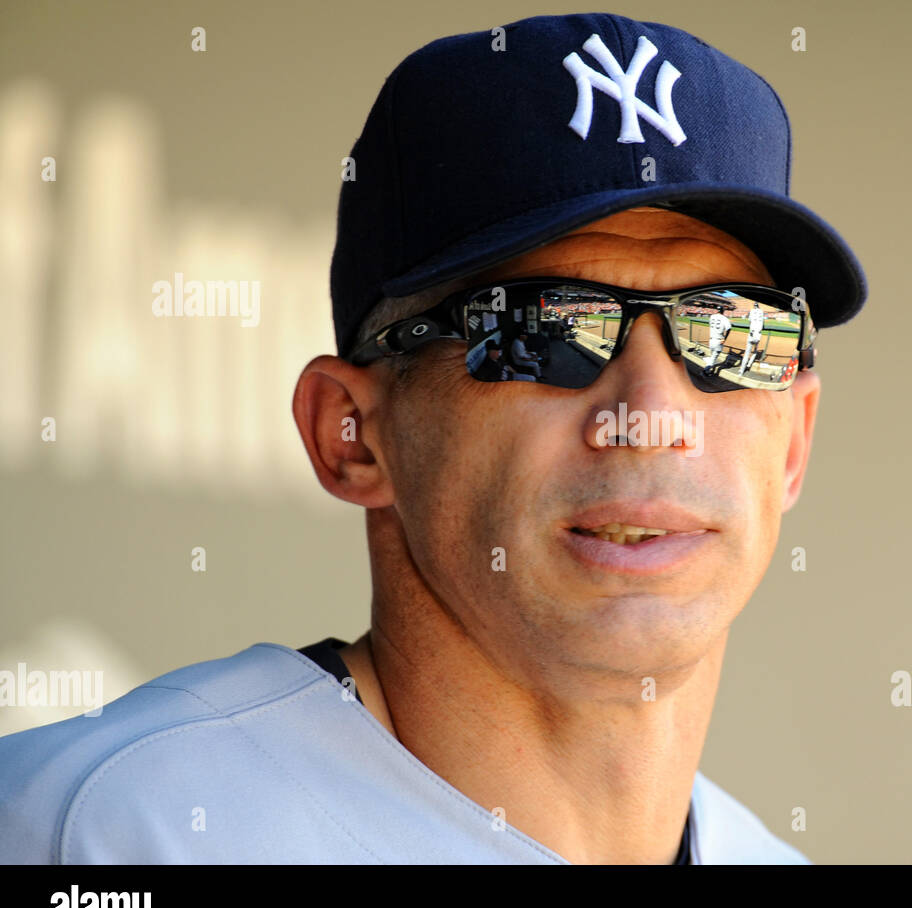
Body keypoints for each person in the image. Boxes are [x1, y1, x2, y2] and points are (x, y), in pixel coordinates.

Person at [0, 12, 866, 864]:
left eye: (732, 334)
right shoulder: (100, 831)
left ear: (793, 441)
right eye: (545, 330)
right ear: (353, 434)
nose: (650, 414)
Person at [740, 301, 766, 376]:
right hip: (758, 334)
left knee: (747, 353)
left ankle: (741, 371)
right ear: (758, 306)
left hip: (751, 333)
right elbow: (763, 323)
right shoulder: (761, 311)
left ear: (754, 306)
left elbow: (749, 321)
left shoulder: (752, 311)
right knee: (755, 351)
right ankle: (749, 364)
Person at [704, 309, 733, 375]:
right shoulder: (724, 318)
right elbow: (729, 329)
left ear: (717, 311)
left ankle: (708, 371)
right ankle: (705, 371)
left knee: (712, 357)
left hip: (711, 340)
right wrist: (725, 339)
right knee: (713, 359)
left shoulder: (712, 316)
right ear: (723, 311)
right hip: (718, 341)